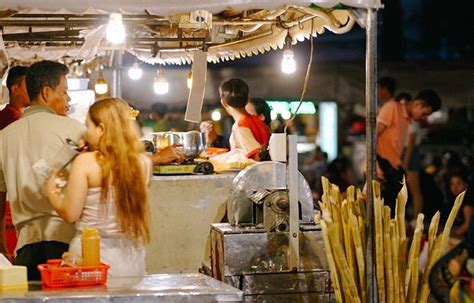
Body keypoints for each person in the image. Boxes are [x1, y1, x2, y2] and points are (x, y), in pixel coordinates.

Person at [45, 98, 151, 277]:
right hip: (131, 256)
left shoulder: (85, 163)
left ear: (101, 128)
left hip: (91, 256)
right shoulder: (144, 163)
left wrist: (52, 191)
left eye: (88, 126)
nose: (86, 133)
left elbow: (70, 213)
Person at [0, 60, 85, 280]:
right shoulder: (74, 129)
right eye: (64, 92)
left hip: (25, 250)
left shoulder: (4, 137)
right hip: (67, 248)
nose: (68, 99)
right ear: (47, 93)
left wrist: (2, 250)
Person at [376, 89, 442, 209]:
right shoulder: (392, 108)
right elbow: (373, 135)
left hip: (391, 171)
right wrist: (375, 167)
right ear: (418, 104)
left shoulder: (407, 119)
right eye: (424, 114)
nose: (423, 118)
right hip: (380, 170)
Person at [219, 79, 270, 160]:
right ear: (247, 100)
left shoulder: (240, 126)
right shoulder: (257, 121)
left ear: (223, 103)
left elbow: (256, 157)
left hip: (252, 171)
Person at [397, 92, 424, 220]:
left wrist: (405, 162)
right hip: (402, 152)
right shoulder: (400, 118)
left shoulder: (412, 119)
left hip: (410, 153)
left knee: (414, 190)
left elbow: (411, 142)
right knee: (402, 190)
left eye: (405, 103)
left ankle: (415, 221)